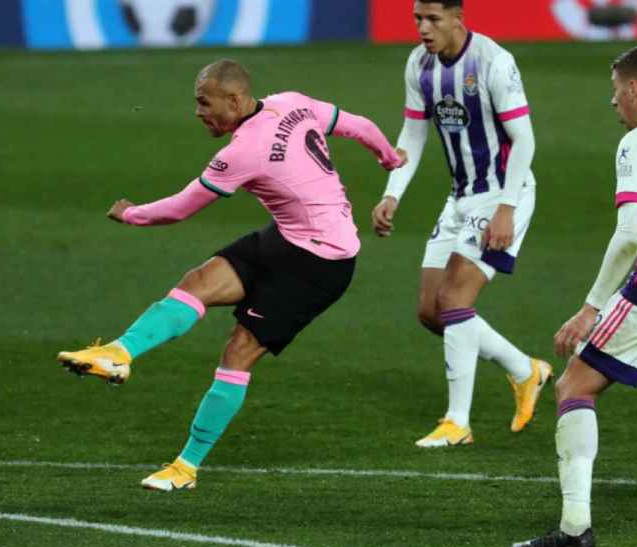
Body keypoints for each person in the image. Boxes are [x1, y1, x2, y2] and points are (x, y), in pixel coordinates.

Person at [57, 59, 405, 491]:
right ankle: (118, 354)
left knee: (238, 350)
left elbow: (181, 208)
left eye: (205, 102)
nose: (198, 111)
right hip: (288, 237)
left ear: (235, 100)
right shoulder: (292, 102)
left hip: (323, 263)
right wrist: (389, 157)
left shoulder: (242, 151)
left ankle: (186, 468)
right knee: (197, 283)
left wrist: (130, 214)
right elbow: (358, 124)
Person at [370, 0, 552, 447]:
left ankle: (457, 422)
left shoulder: (492, 61)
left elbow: (524, 138)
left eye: (432, 19)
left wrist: (506, 208)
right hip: (460, 198)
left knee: (454, 299)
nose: (422, 28)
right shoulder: (419, 64)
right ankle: (525, 369)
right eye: (417, 19)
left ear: (458, 18)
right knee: (432, 312)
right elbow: (413, 131)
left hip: (503, 193)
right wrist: (392, 192)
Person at [512, 45, 637, 547]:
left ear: (634, 91)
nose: (612, 102)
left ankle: (574, 528)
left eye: (615, 92)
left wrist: (592, 305)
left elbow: (633, 233)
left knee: (574, 384)